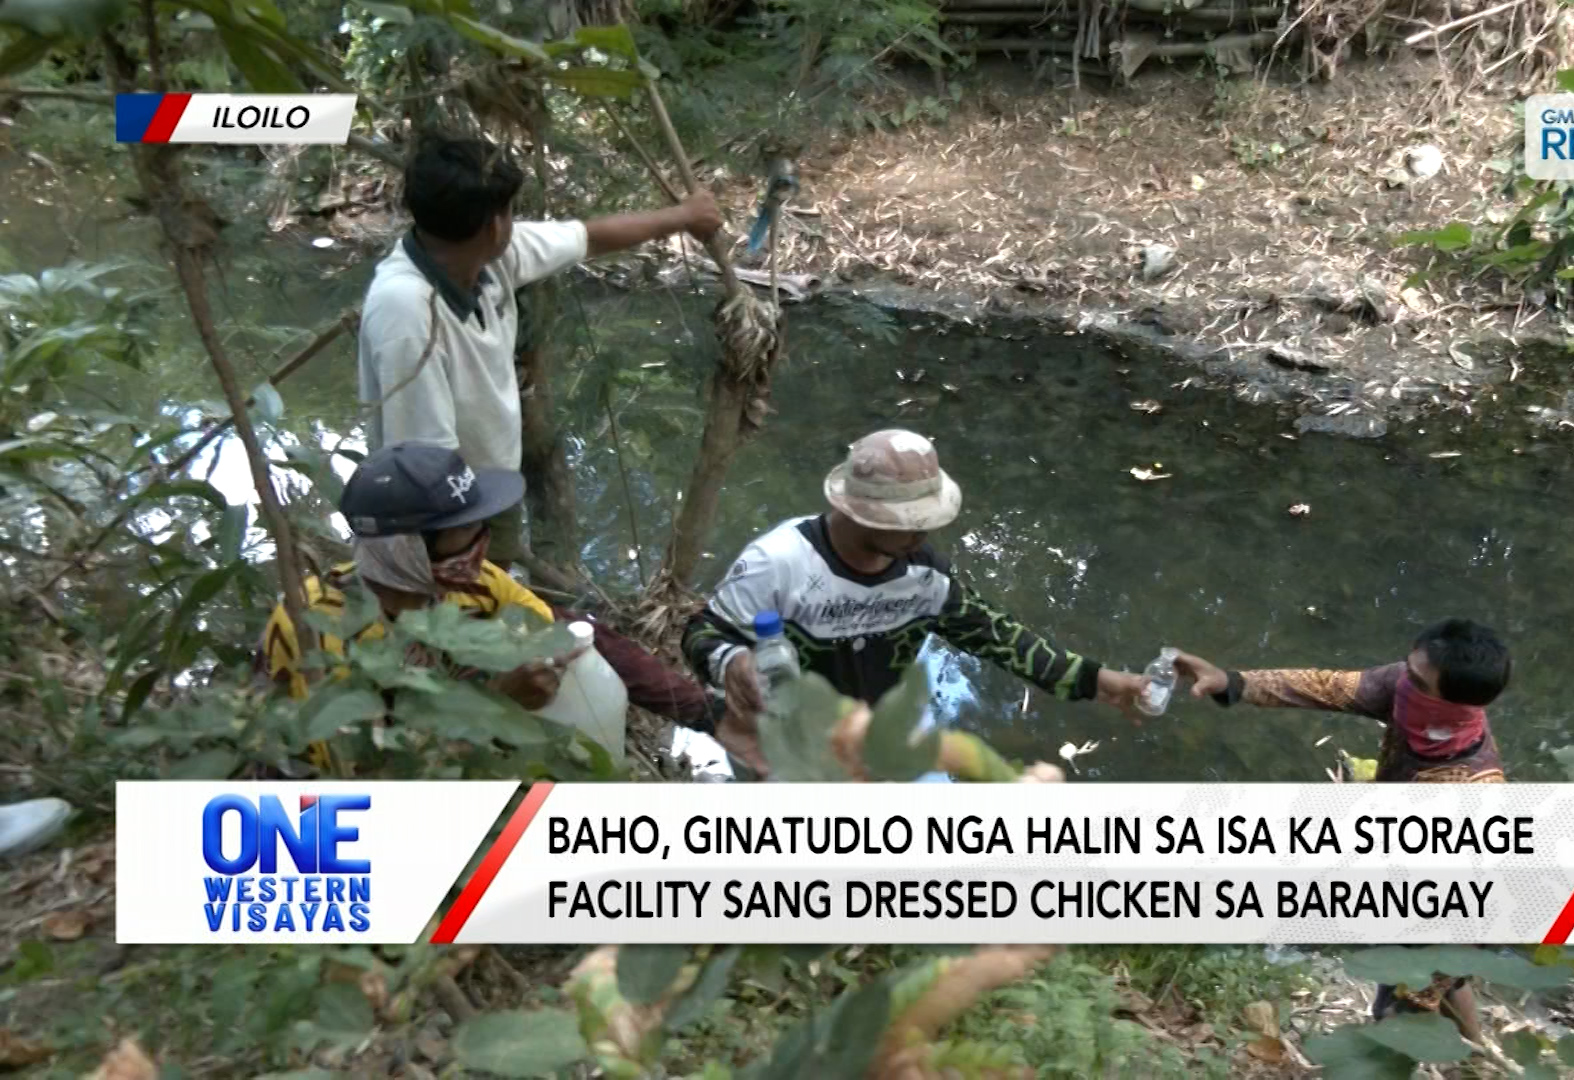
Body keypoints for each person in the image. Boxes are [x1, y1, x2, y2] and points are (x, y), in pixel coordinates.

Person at [683, 428, 1150, 776]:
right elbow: (702, 632)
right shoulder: (779, 563)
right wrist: (730, 661)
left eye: (927, 519)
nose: (922, 533)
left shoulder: (921, 574)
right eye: (907, 521)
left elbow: (996, 635)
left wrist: (1093, 680)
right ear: (856, 510)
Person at [358, 132, 724, 570]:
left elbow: (587, 238)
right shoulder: (406, 312)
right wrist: (456, 554)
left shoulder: (486, 259)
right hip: (440, 521)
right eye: (511, 211)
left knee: (498, 600)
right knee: (457, 619)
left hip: (490, 490)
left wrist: (682, 216)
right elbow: (425, 461)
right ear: (494, 224)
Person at [1171, 618, 1513, 1044]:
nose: (1401, 681)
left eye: (1417, 680)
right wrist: (1230, 682)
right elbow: (1326, 687)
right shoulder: (1412, 694)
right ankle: (1477, 1053)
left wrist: (1426, 983)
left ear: (1457, 707)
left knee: (1395, 1018)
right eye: (1407, 667)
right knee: (1447, 990)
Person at [258, 442, 718, 748]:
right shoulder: (318, 630)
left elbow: (573, 635)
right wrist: (498, 703)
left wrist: (706, 714)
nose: (482, 542)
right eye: (463, 532)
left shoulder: (471, 585)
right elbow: (362, 778)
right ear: (406, 550)